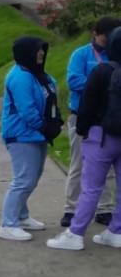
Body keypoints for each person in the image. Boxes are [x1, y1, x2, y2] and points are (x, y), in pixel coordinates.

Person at [49, 27, 121, 250]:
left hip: (99, 136)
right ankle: (115, 231)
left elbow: (86, 105)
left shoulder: (101, 71)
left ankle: (76, 233)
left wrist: (82, 130)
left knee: (91, 187)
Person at [0, 37, 62, 241]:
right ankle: (8, 224)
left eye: (42, 50)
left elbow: (50, 99)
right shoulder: (20, 77)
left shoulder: (38, 75)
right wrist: (45, 127)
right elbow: (27, 110)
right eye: (37, 50)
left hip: (36, 134)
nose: (41, 54)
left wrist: (54, 122)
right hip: (21, 135)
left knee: (31, 178)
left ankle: (22, 216)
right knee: (24, 180)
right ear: (26, 53)